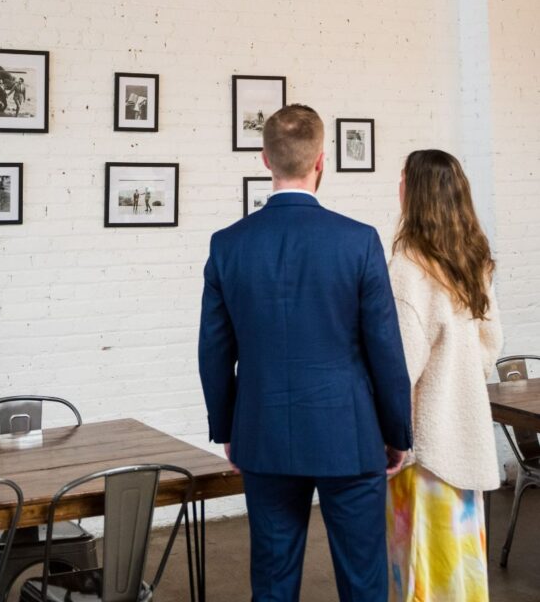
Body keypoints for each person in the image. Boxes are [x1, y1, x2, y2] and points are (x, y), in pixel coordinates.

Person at [199, 104, 412, 602]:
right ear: (321, 160)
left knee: (272, 583)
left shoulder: (228, 245)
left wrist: (227, 427)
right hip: (351, 435)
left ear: (264, 159)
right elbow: (385, 347)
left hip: (263, 433)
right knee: (364, 583)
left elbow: (213, 350)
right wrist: (397, 430)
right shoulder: (358, 241)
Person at [387, 150, 504, 602]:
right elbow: (489, 346)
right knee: (460, 565)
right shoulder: (474, 261)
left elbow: (402, 366)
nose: (397, 186)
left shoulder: (407, 268)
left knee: (420, 564)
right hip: (466, 433)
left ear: (417, 194)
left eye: (402, 180)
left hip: (424, 443)